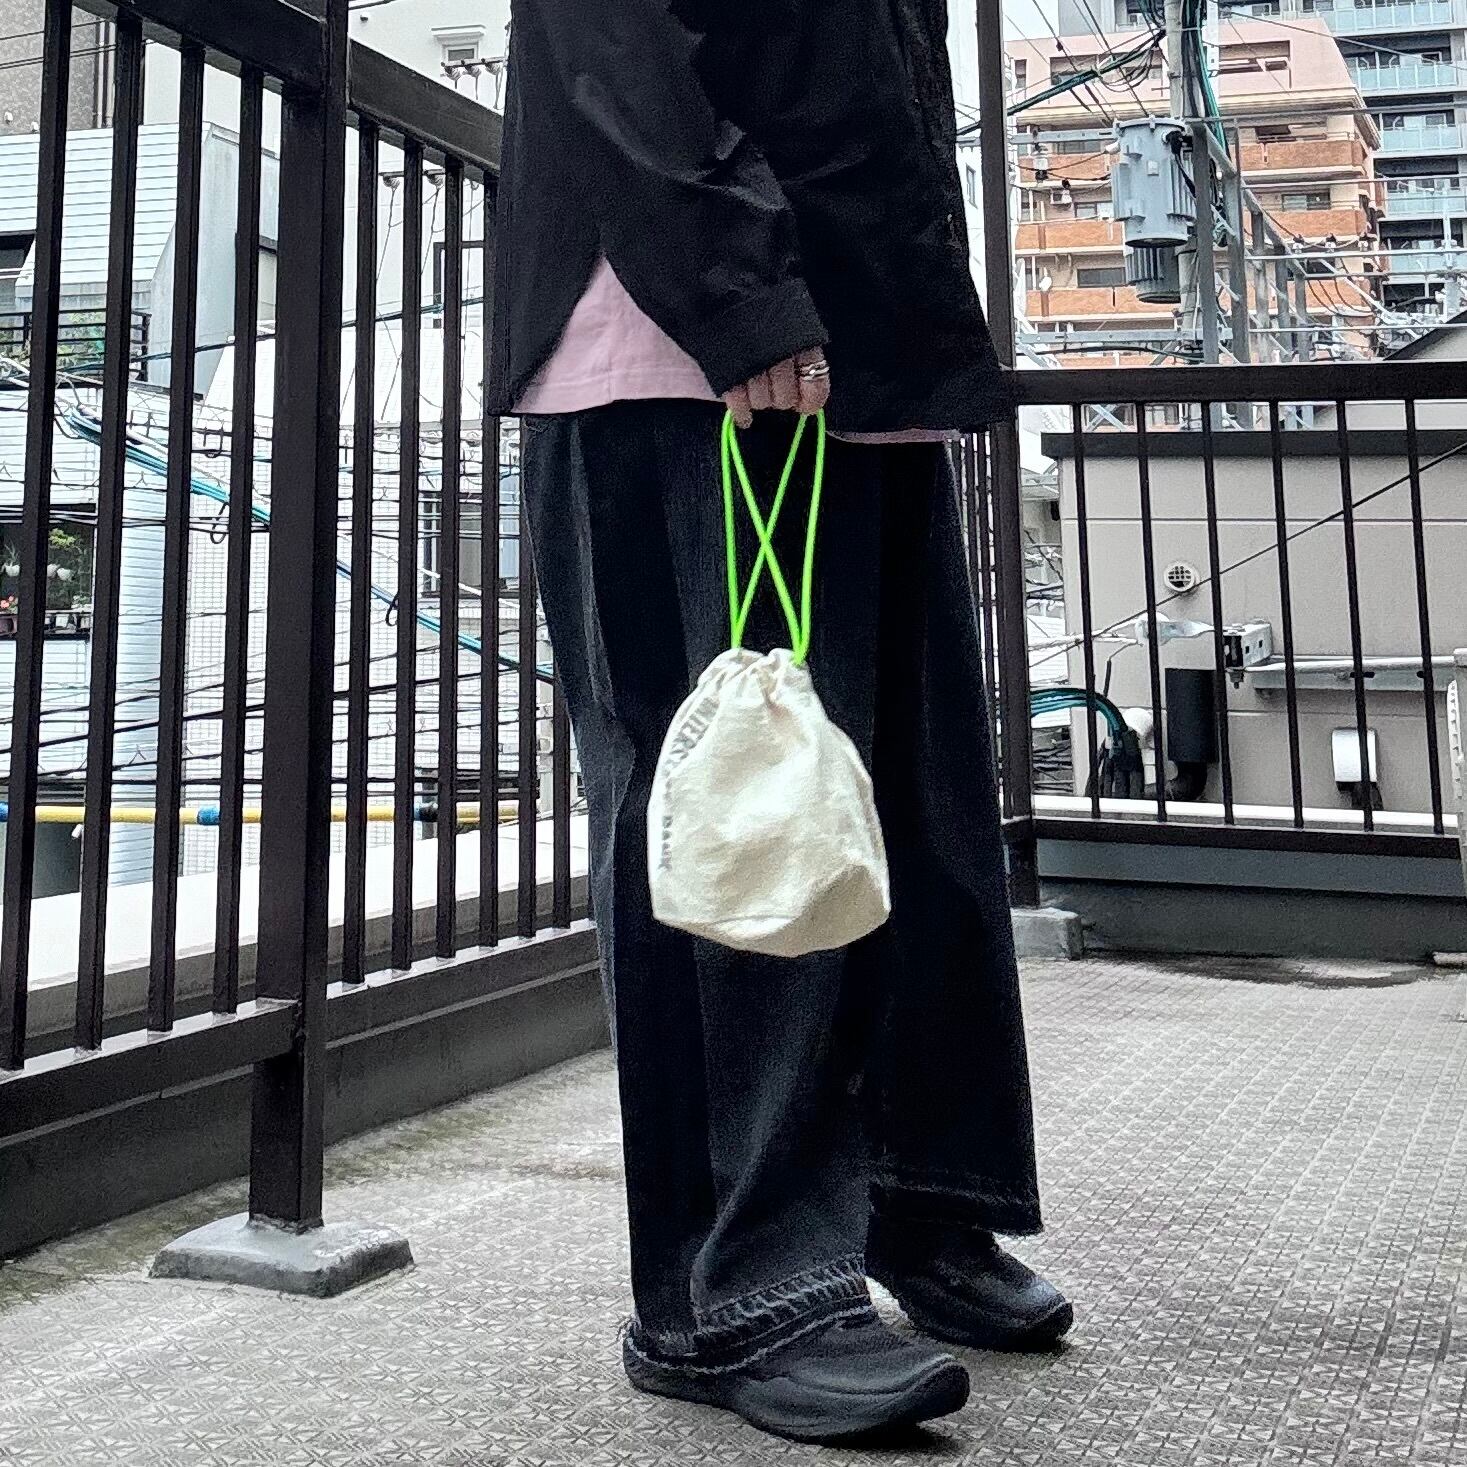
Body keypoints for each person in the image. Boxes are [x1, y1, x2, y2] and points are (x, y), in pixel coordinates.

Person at [488, 0, 1072, 1444]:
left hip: (853, 330)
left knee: (904, 804)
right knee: (733, 805)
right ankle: (734, 1289)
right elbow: (610, 33)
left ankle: (914, 1197)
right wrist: (734, 287)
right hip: (688, 337)